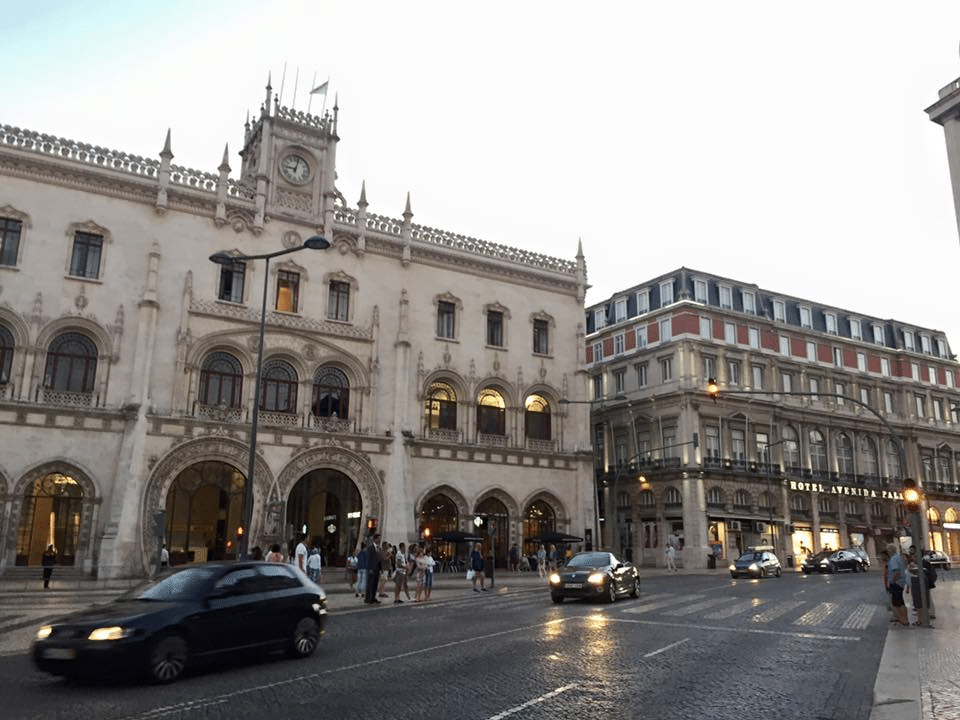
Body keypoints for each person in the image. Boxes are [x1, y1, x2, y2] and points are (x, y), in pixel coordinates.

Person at [886, 543, 910, 626]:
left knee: (897, 603)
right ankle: (905, 619)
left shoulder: (894, 559)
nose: (887, 551)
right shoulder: (898, 557)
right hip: (901, 582)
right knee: (901, 601)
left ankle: (902, 619)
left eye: (888, 549)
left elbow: (896, 572)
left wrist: (892, 581)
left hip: (896, 583)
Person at [365, 536, 382, 604]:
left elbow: (379, 558)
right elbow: (369, 559)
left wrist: (380, 568)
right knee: (370, 584)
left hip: (377, 568)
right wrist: (370, 568)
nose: (379, 540)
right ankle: (368, 598)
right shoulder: (370, 548)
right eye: (378, 538)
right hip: (372, 568)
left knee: (375, 584)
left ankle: (373, 597)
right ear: (375, 539)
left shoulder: (378, 548)